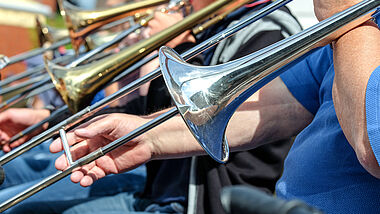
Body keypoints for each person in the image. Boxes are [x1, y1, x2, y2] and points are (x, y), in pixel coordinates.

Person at [42, 0, 380, 213]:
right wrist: (146, 136)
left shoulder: (353, 27)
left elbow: (373, 147)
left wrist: (346, 19)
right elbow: (272, 105)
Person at [7, 1, 303, 213]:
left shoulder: (270, 29)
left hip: (201, 201)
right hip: (156, 189)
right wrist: (50, 120)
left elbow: (220, 119)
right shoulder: (215, 25)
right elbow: (142, 107)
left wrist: (180, 49)